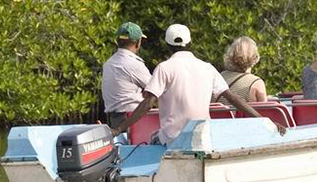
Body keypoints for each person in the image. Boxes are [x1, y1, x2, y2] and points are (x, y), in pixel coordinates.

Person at [111, 24, 285, 143]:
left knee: (153, 138)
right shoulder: (207, 68)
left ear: (167, 45)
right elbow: (233, 99)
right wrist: (265, 120)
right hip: (202, 137)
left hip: (173, 139)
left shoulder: (164, 68)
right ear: (190, 43)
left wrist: (118, 129)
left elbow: (148, 104)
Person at [101, 22, 151, 129]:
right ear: (138, 43)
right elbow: (156, 89)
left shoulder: (108, 63)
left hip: (113, 118)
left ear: (118, 41)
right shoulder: (134, 64)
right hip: (131, 119)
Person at [215, 36, 268, 103]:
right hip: (245, 114)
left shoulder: (220, 77)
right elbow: (265, 111)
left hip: (217, 113)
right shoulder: (256, 83)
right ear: (255, 57)